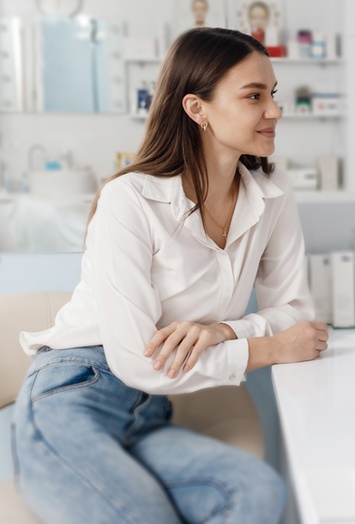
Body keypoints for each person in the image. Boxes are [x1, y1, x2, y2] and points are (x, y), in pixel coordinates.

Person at [12, 27, 328, 524]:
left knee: (254, 490)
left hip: (151, 410)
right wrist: (267, 348)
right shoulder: (131, 199)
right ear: (196, 108)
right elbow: (137, 361)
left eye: (273, 95)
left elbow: (297, 311)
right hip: (76, 392)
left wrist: (224, 329)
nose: (274, 111)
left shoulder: (271, 191)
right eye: (253, 96)